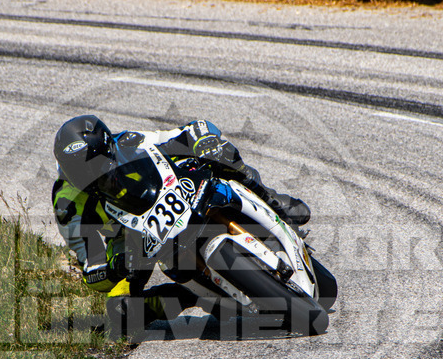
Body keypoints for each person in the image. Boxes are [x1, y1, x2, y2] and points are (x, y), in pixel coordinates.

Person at [50, 114, 310, 338]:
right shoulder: (67, 202)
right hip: (128, 238)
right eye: (80, 169)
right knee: (121, 312)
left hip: (170, 192)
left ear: (108, 148)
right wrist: (114, 266)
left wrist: (205, 141)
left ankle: (270, 199)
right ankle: (192, 295)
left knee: (221, 156)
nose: (91, 174)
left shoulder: (128, 141)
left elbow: (191, 129)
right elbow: (90, 264)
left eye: (95, 164)